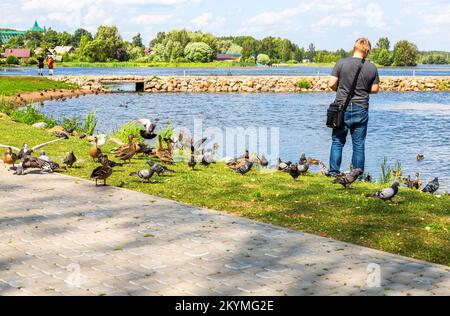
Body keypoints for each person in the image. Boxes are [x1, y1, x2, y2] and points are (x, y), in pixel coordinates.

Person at [327, 38, 380, 177]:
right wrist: (362, 90)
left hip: (341, 107)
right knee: (359, 144)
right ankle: (357, 175)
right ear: (367, 51)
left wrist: (341, 90)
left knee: (337, 141)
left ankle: (333, 172)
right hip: (361, 107)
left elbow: (331, 84)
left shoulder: (341, 63)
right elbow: (375, 89)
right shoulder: (372, 67)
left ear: (354, 48)